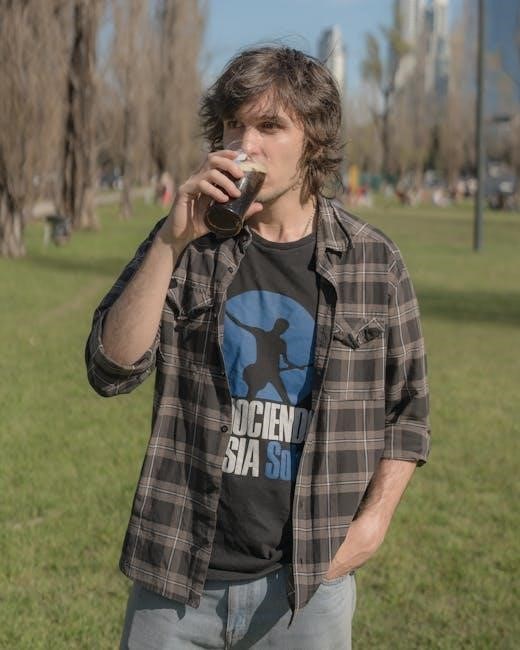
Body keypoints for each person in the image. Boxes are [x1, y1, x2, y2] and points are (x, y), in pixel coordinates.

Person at [85, 46, 430, 650]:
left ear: (313, 142)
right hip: (177, 576)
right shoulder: (188, 245)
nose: (245, 144)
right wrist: (169, 242)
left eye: (269, 126)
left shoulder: (373, 261)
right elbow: (110, 369)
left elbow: (408, 412)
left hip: (307, 588)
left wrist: (372, 525)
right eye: (233, 125)